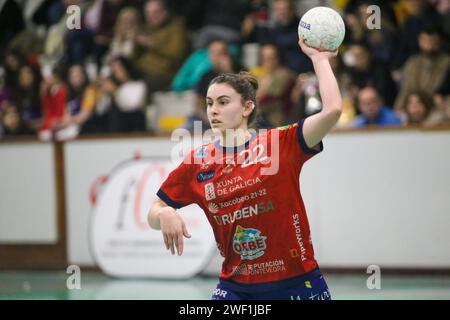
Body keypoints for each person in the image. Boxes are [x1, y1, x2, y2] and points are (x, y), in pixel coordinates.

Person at [148, 37, 342, 300]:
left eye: (223, 102)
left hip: (297, 284)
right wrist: (165, 213)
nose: (213, 110)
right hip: (234, 289)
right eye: (209, 103)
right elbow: (154, 211)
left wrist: (320, 60)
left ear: (247, 107)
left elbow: (332, 110)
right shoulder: (198, 161)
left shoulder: (278, 143)